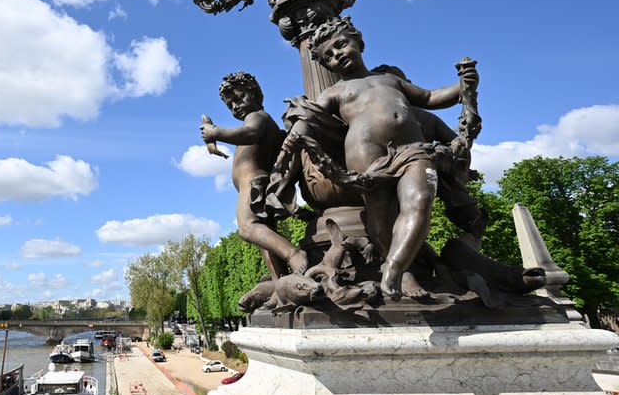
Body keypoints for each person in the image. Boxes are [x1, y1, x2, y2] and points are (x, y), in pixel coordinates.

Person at [286, 17, 478, 299]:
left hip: (412, 149)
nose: (337, 54)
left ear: (359, 43)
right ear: (326, 66)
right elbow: (311, 117)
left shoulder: (390, 79)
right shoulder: (334, 91)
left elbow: (429, 97)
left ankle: (395, 265)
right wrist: (296, 130)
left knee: (421, 199)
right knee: (381, 212)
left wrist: (462, 86)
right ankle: (405, 273)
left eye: (341, 45)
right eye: (329, 56)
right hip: (366, 152)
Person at [201, 72, 309, 307]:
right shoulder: (254, 119)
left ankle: (294, 254)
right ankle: (279, 283)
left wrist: (216, 133)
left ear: (256, 93)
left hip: (254, 183)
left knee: (248, 228)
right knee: (264, 239)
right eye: (229, 104)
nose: (235, 106)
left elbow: (248, 134)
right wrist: (212, 142)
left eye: (239, 98)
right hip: (250, 185)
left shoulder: (258, 118)